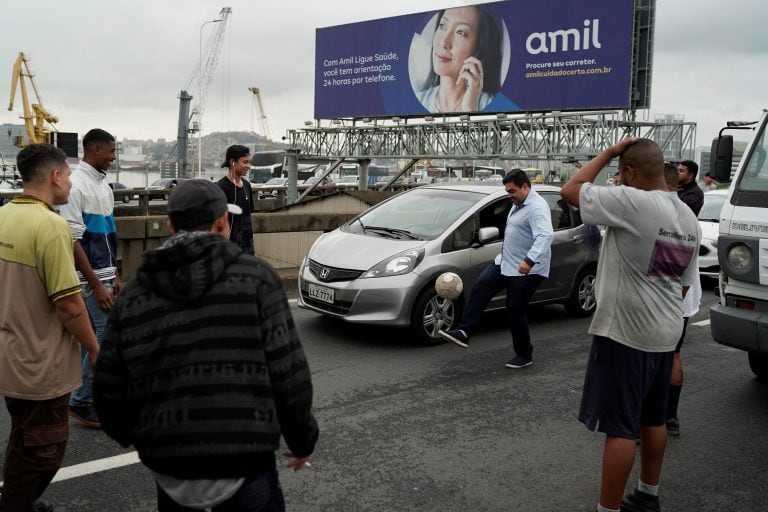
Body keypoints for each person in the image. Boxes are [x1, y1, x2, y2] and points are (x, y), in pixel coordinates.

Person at [93, 179, 318, 511]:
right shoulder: (256, 279)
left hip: (170, 464)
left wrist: (139, 437)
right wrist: (302, 440)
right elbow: (288, 373)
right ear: (222, 223)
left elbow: (109, 383)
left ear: (170, 226)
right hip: (245, 457)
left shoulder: (135, 293)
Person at [560, 139, 700, 512]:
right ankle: (648, 494)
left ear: (631, 172)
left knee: (619, 427)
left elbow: (571, 190)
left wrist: (607, 153)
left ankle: (608, 509)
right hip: (666, 330)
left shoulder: (633, 202)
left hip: (626, 332)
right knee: (653, 419)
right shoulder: (687, 217)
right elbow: (683, 283)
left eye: (621, 173)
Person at [0, 144, 100, 512]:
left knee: (24, 437)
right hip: (40, 363)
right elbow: (69, 305)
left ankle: (17, 500)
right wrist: (94, 347)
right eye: (69, 175)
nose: (71, 183)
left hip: (10, 354)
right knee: (45, 449)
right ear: (55, 176)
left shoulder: (4, 215)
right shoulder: (52, 226)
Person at [439, 169, 554, 369]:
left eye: (512, 191)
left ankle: (524, 354)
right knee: (481, 287)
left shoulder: (537, 207)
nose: (509, 195)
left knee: (514, 311)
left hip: (527, 269)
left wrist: (529, 260)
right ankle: (464, 331)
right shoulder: (517, 203)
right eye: (507, 191)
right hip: (505, 262)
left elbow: (545, 236)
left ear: (525, 187)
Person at [57, 128, 120, 429]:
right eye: (111, 151)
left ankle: (87, 396)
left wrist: (115, 274)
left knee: (90, 338)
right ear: (95, 149)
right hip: (87, 279)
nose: (113, 157)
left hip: (105, 274)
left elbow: (109, 234)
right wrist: (96, 285)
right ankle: (81, 400)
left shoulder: (103, 187)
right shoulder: (75, 185)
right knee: (104, 336)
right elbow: (72, 240)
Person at [663, 163, 702, 437]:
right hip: (683, 295)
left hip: (666, 297)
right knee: (673, 355)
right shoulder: (688, 217)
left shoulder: (666, 214)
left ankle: (653, 418)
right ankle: (670, 418)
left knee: (654, 358)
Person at [416, 5, 502, 113]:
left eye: (460, 32)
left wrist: (470, 110)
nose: (443, 42)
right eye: (442, 25)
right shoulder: (418, 100)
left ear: (480, 50)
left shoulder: (494, 107)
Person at [217, 144, 255, 255]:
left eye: (249, 162)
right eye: (245, 162)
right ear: (233, 162)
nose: (248, 166)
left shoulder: (247, 186)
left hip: (248, 249)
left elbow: (248, 217)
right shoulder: (221, 188)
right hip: (227, 251)